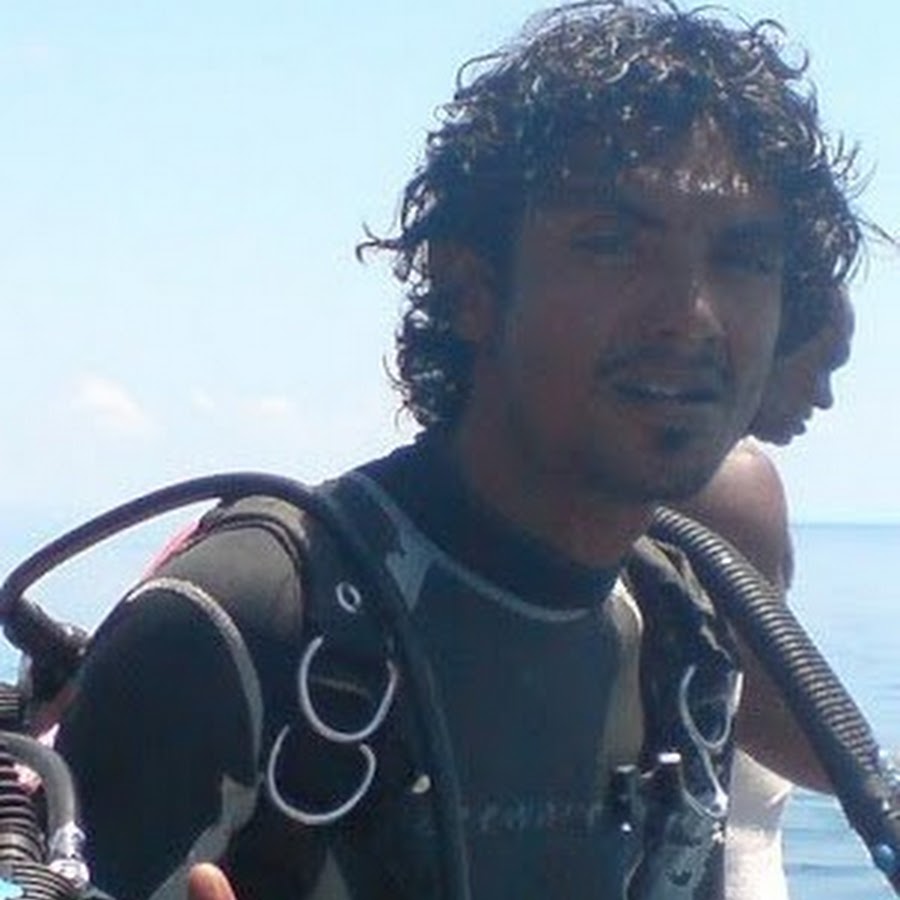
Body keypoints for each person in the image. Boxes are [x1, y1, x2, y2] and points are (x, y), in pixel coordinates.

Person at [55, 2, 865, 899]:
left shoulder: (679, 636)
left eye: (743, 260)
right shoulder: (245, 626)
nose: (690, 315)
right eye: (612, 244)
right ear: (470, 286)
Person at [676, 286, 855, 900]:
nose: (824, 397)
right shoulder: (731, 476)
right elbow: (760, 711)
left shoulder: (647, 467)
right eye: (819, 364)